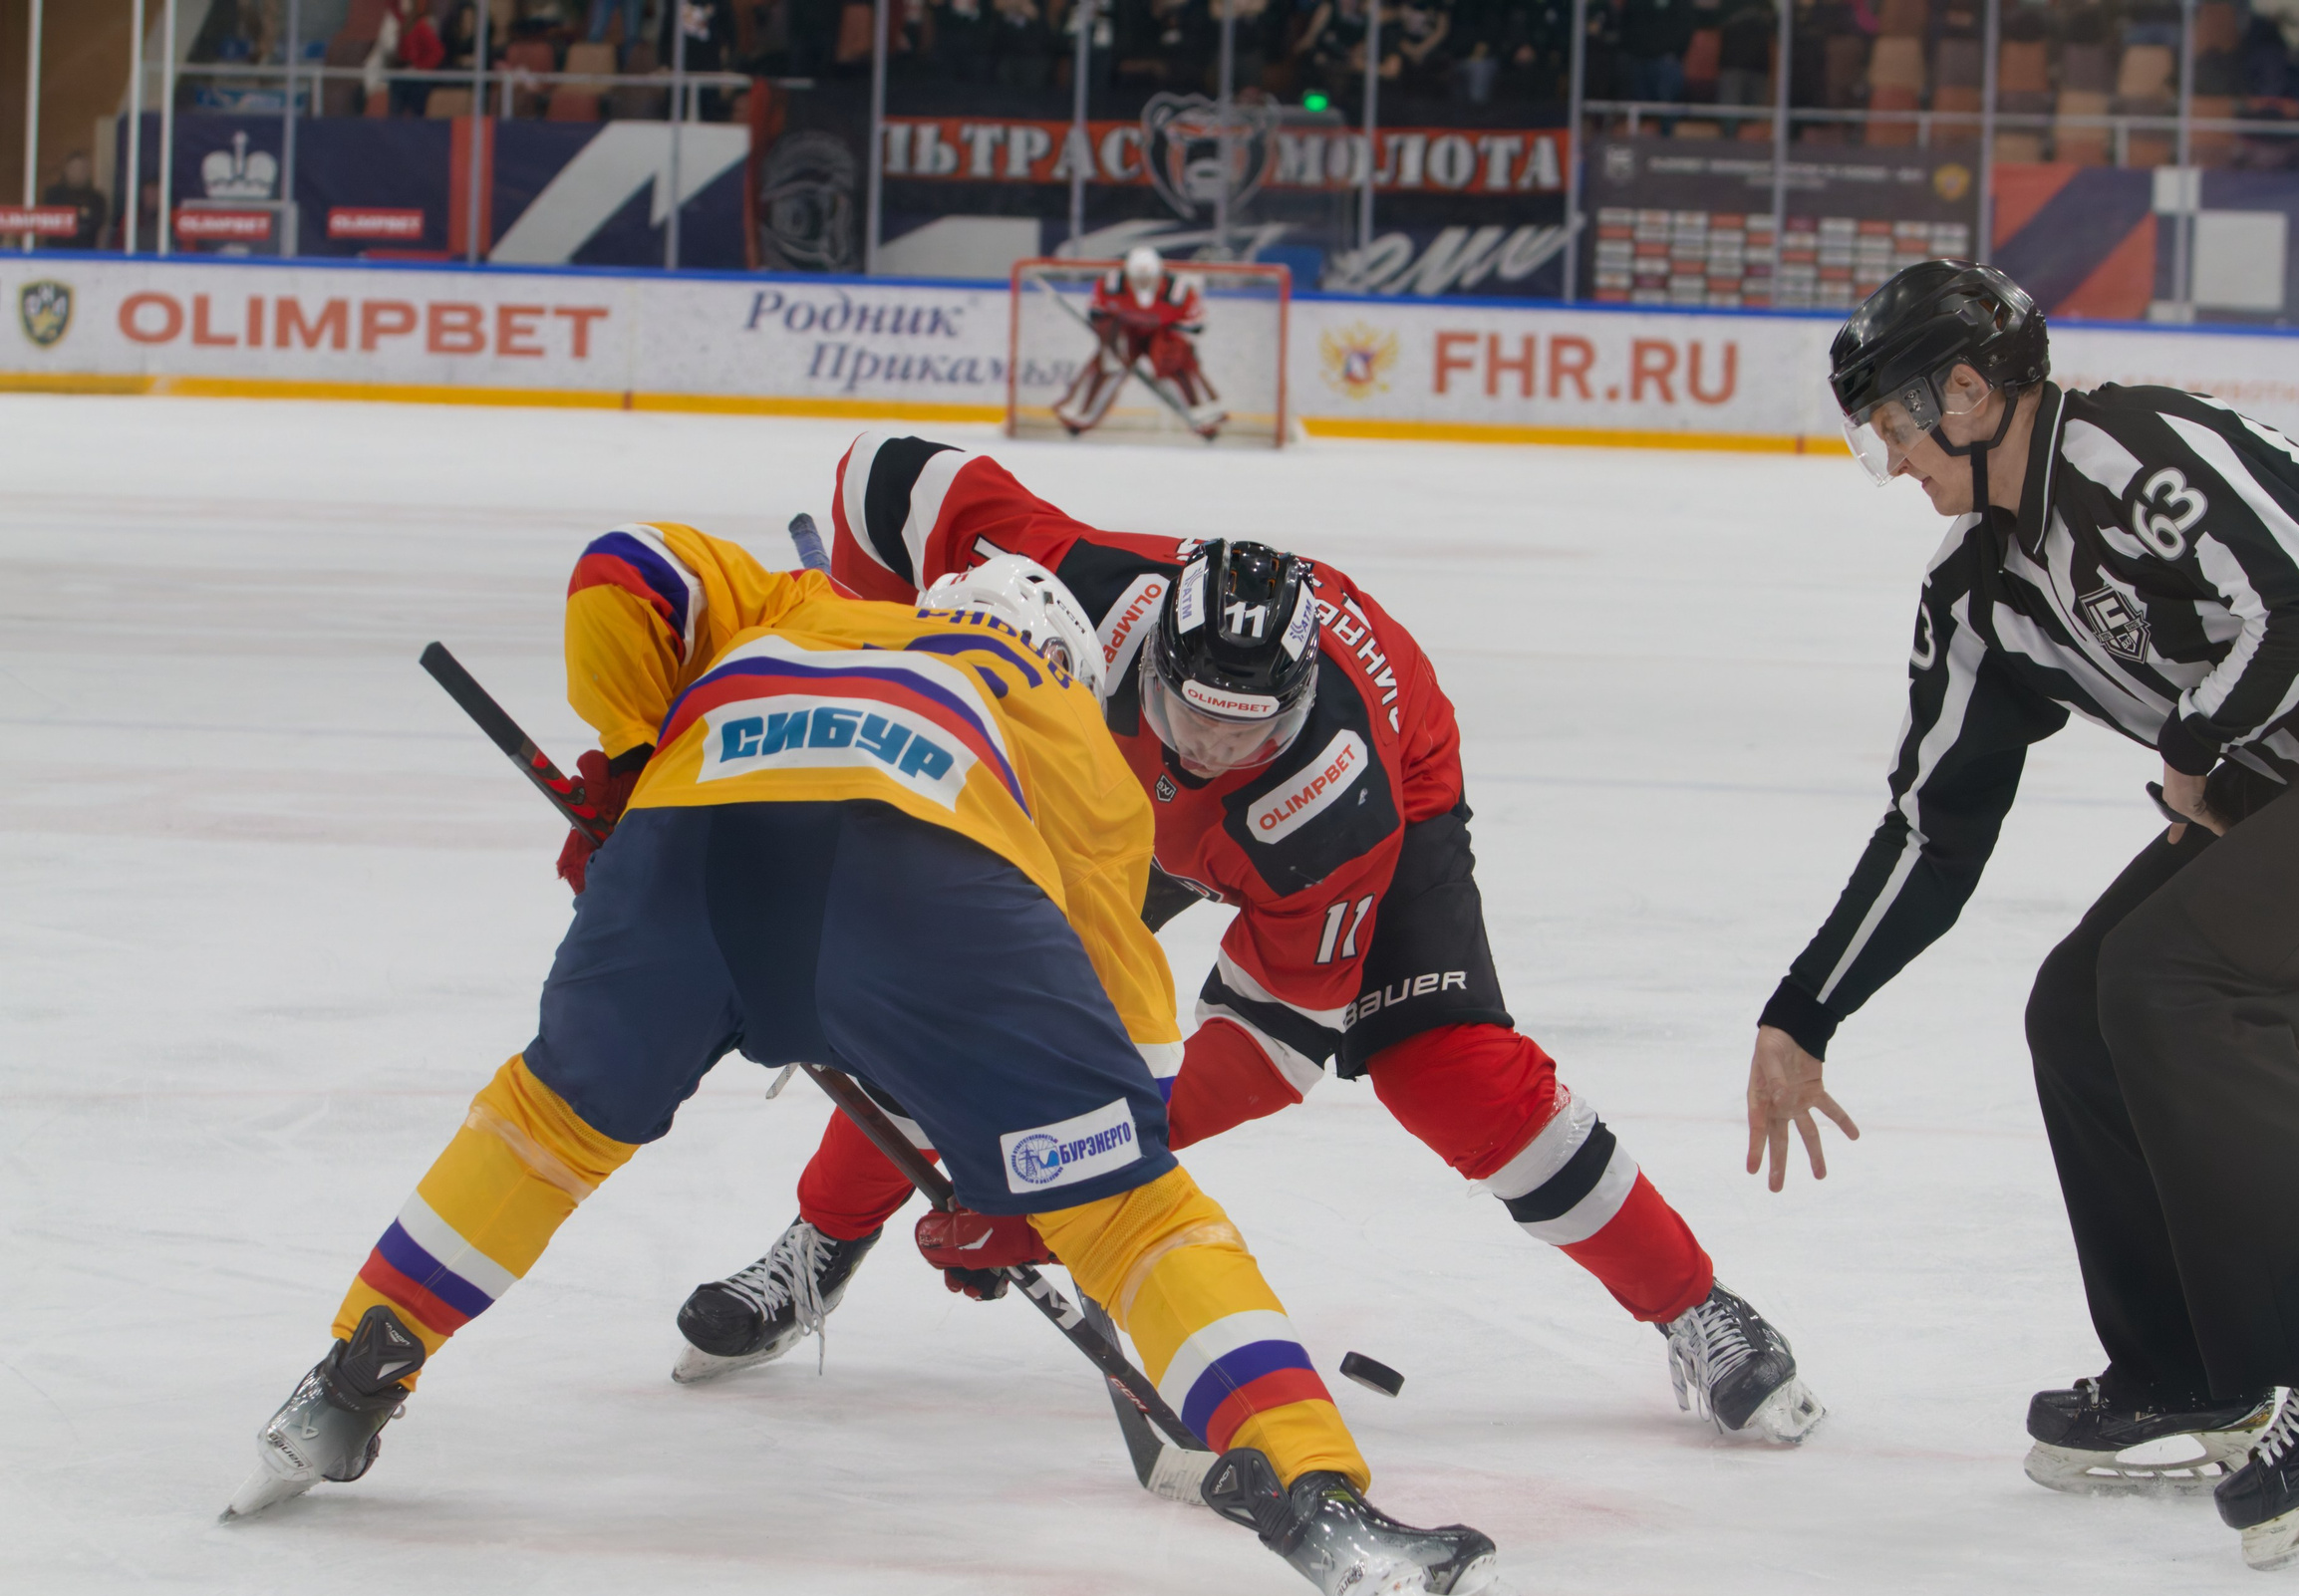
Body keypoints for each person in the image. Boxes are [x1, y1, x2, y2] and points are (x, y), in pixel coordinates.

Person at [221, 522, 1521, 1596]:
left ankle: (352, 1375)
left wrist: (628, 755)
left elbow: (624, 568)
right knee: (1139, 1214)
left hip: (686, 854)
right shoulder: (1063, 721)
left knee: (544, 1128)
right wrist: (1035, 1189)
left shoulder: (801, 607)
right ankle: (1319, 1494)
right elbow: (1137, 1055)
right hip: (927, 880)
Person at [675, 435, 1830, 1449]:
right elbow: (885, 478)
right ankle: (821, 1242)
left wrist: (1057, 1180)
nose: (1210, 751)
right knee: (944, 982)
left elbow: (1269, 1050)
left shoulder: (1330, 802)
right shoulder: (1078, 594)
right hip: (1102, 795)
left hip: (1376, 787)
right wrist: (864, 646)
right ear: (1151, 661)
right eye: (1190, 715)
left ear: (1298, 702)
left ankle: (1696, 1305)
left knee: (1448, 1069)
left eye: (1247, 731)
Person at [1745, 260, 2299, 1569]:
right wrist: (1803, 1010)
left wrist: (2193, 745)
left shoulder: (2131, 447)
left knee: (2177, 981)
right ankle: (2190, 1373)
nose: (1891, 460)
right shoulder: (1976, 595)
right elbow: (1934, 827)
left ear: (1967, 389)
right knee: (2081, 1004)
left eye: (1894, 423)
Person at [1053, 247, 1228, 438]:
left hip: (1165, 332)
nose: (1143, 282)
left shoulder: (1179, 291)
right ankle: (1080, 413)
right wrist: (1110, 339)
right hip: (1127, 330)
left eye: (1149, 277)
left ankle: (1206, 416)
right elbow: (1097, 313)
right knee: (1110, 362)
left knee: (1175, 363)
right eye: (1137, 277)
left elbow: (1196, 324)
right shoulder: (1110, 284)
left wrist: (1172, 347)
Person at [38, 152, 111, 249]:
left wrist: (100, 255)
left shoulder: (97, 199)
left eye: (82, 169)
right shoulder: (53, 195)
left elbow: (102, 231)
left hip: (86, 253)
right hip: (55, 253)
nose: (78, 173)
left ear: (88, 172)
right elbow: (42, 227)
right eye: (74, 168)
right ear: (66, 170)